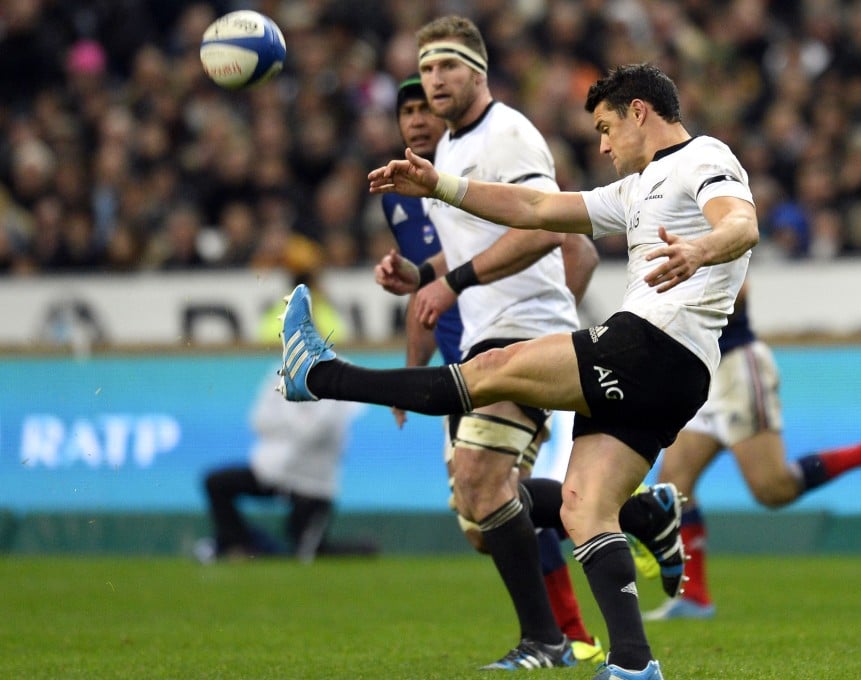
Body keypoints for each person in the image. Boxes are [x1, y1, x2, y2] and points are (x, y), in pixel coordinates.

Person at [279, 61, 758, 680]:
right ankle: (636, 664)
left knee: (493, 370)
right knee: (584, 508)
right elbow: (534, 206)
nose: (604, 145)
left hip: (653, 344)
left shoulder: (702, 158)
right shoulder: (637, 188)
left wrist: (698, 248)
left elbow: (742, 224)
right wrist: (440, 186)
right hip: (679, 374)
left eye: (608, 128)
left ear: (641, 111)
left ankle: (320, 377)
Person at [380, 73, 604, 663]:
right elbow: (432, 289)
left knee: (487, 489)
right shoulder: (400, 195)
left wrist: (547, 332)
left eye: (428, 107)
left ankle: (563, 636)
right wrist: (411, 367)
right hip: (458, 364)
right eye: (407, 112)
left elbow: (576, 246)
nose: (419, 120)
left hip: (507, 353)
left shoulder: (488, 160)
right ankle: (636, 512)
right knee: (481, 521)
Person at [640, 282, 861, 621]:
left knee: (772, 489)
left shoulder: (707, 231)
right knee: (675, 485)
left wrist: (679, 300)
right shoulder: (657, 231)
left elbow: (738, 290)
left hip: (736, 367)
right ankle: (694, 598)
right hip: (699, 371)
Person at [198, 366, 369, 563]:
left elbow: (314, 431)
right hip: (271, 470)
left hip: (312, 482)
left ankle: (364, 549)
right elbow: (258, 421)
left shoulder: (336, 375)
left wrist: (286, 412)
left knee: (305, 554)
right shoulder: (280, 372)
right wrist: (299, 419)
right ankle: (241, 545)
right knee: (216, 483)